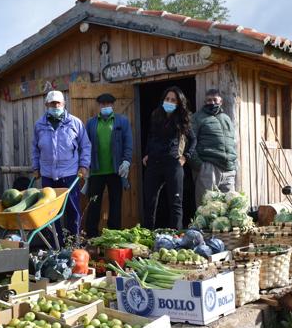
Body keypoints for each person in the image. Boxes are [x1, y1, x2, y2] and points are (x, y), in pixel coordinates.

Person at [32, 90, 91, 245]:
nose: (55, 106)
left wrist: (84, 165)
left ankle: (74, 244)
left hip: (70, 174)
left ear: (64, 104)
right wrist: (35, 167)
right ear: (46, 105)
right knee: (51, 213)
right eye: (52, 104)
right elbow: (35, 148)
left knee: (73, 211)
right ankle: (56, 245)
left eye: (58, 103)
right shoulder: (39, 125)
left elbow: (85, 145)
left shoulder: (74, 123)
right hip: (47, 176)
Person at [142, 86, 196, 230]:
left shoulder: (183, 118)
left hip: (173, 163)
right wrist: (147, 153)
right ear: (163, 100)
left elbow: (193, 140)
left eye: (173, 100)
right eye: (167, 99)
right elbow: (151, 136)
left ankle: (176, 237)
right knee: (150, 202)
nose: (169, 102)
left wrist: (185, 157)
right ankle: (148, 235)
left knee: (175, 202)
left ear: (178, 103)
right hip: (154, 163)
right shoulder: (156, 115)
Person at [84, 93, 133, 237]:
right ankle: (91, 236)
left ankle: (114, 235)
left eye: (108, 104)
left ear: (113, 105)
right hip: (96, 171)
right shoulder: (91, 123)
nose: (105, 107)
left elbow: (128, 143)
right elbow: (86, 145)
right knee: (93, 206)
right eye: (103, 104)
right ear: (98, 106)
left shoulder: (122, 121)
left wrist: (126, 161)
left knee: (115, 204)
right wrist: (85, 165)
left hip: (116, 171)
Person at [192, 89, 237, 206]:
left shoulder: (226, 118)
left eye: (214, 100)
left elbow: (232, 141)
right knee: (207, 207)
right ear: (205, 102)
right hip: (209, 167)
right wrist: (200, 165)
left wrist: (233, 162)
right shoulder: (197, 118)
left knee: (229, 207)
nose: (212, 103)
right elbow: (189, 143)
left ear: (220, 102)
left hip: (228, 169)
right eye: (208, 100)